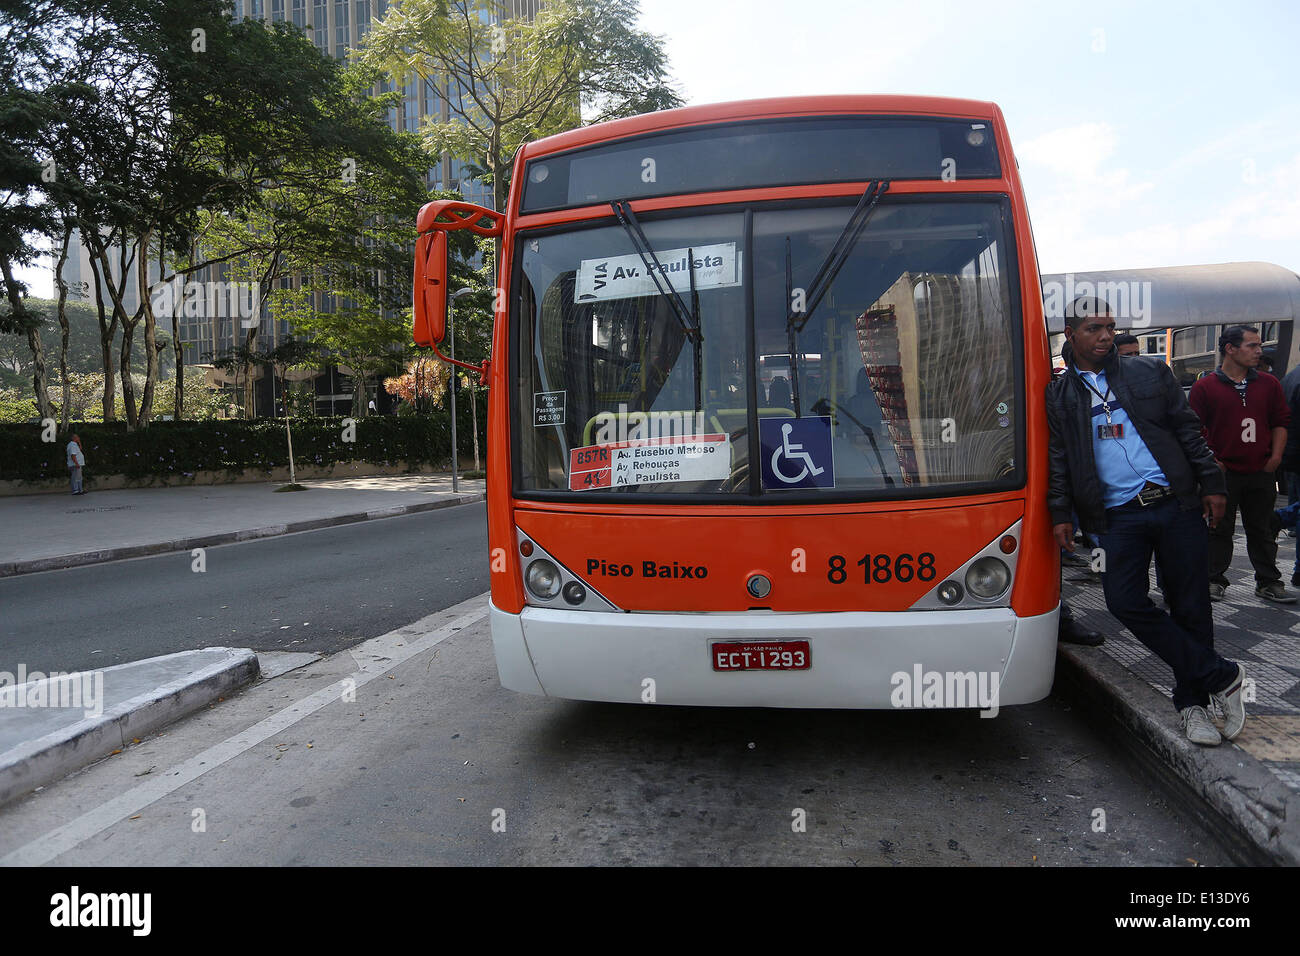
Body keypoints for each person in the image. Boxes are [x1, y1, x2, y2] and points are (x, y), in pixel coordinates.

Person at [1047, 296, 1245, 746]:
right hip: (1117, 516)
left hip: (1174, 503)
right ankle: (1223, 676)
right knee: (1123, 601)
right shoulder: (1059, 394)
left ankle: (1192, 704)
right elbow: (1058, 459)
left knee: (1190, 604)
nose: (1105, 336)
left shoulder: (1149, 372)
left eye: (1110, 327)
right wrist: (1062, 513)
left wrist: (1211, 483)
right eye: (1094, 328)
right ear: (1071, 335)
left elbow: (1187, 429)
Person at [1188, 325, 1293, 603]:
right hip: (1223, 471)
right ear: (1230, 349)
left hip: (1260, 470)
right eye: (1251, 345)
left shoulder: (1268, 384)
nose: (1259, 351)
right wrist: (1212, 461)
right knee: (1218, 527)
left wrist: (1275, 457)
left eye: (1259, 345)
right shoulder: (1204, 387)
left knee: (1262, 527)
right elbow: (1192, 430)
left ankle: (1268, 581)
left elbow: (1280, 422)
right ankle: (1214, 579)